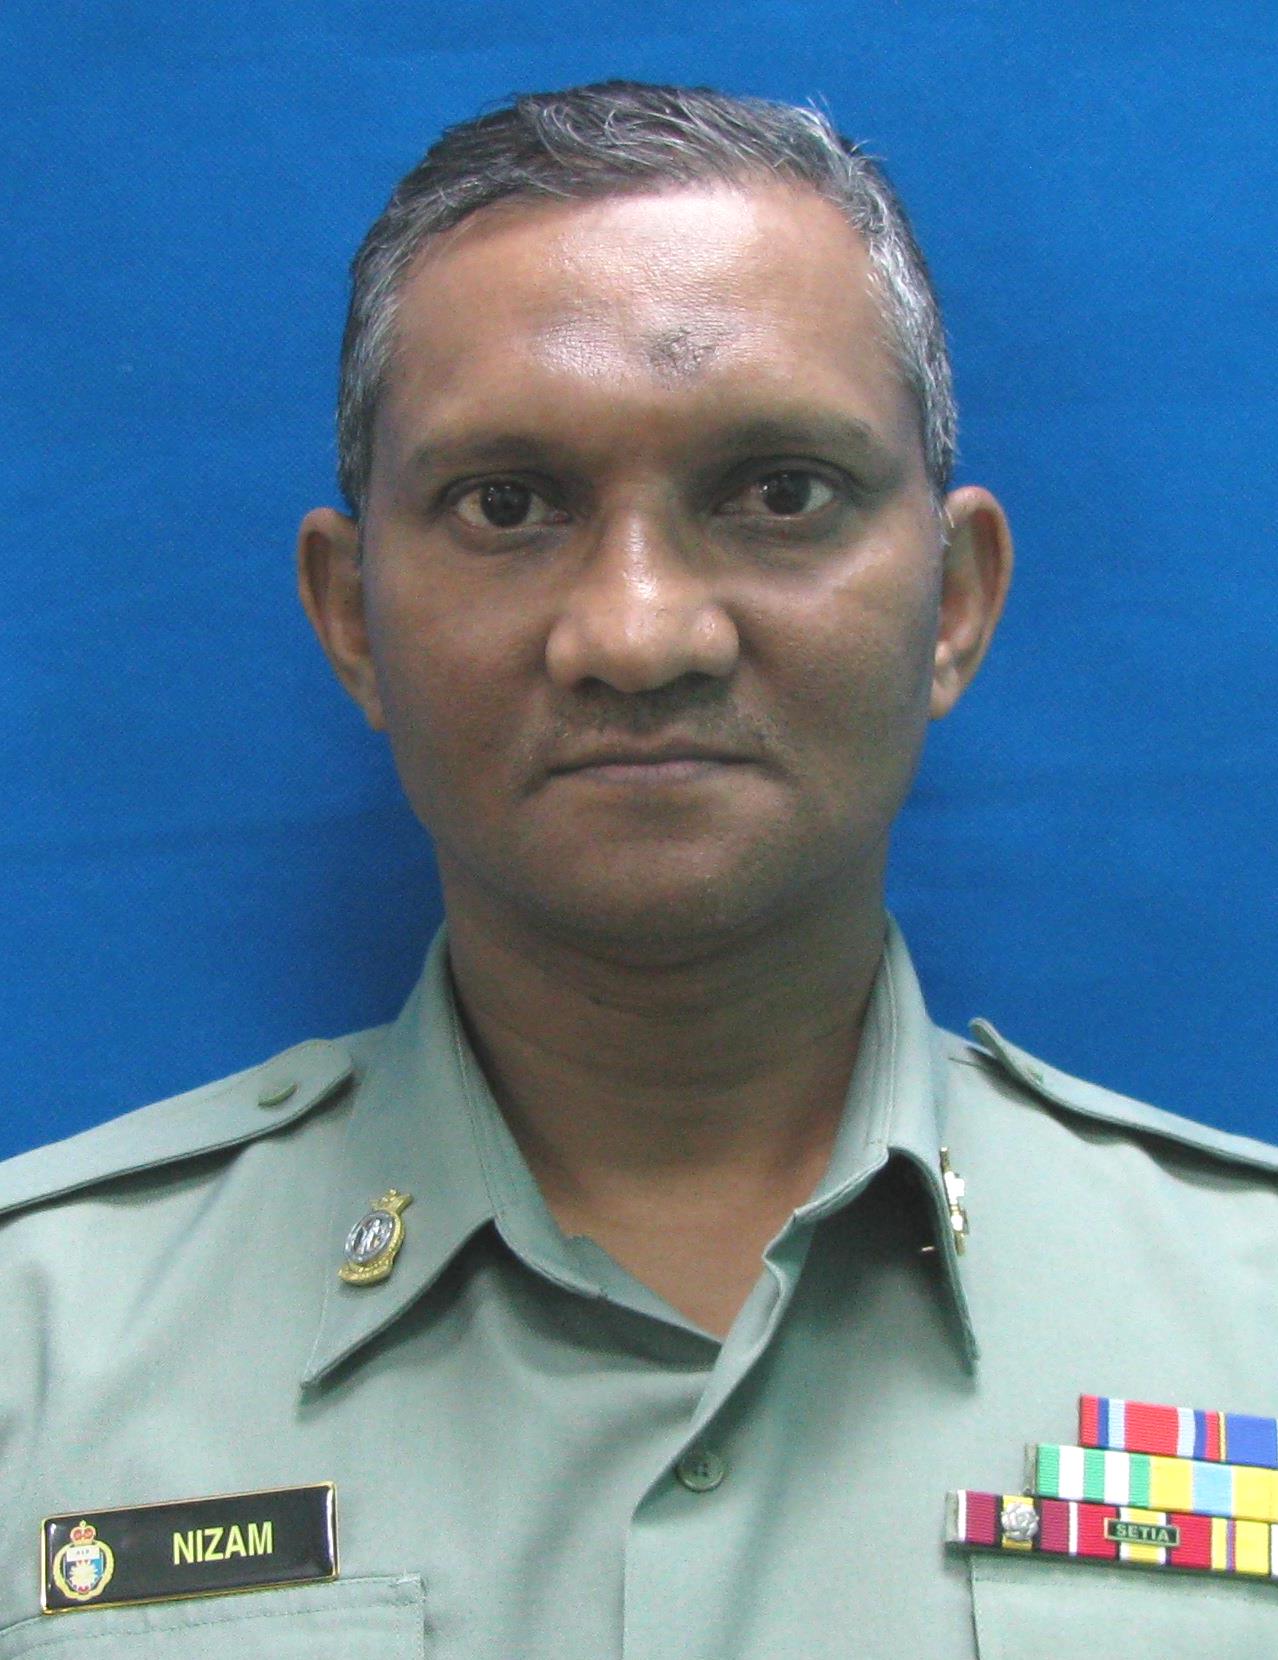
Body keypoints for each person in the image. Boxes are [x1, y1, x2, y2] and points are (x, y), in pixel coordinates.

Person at [1, 81, 1275, 1658]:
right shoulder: (37, 1358)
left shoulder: (1249, 1325)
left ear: (952, 600)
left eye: (778, 493)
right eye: (507, 505)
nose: (639, 632)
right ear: (350, 620)